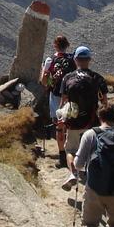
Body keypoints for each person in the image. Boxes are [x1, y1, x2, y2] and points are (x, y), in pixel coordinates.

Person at [59, 45, 108, 189]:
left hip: (73, 120)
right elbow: (104, 101)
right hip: (92, 120)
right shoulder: (97, 78)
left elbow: (63, 101)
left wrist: (61, 118)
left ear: (75, 60)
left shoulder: (67, 77)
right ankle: (92, 177)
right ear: (89, 60)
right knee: (93, 149)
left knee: (71, 149)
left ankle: (73, 173)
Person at [41, 34, 76, 168]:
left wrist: (48, 82)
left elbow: (44, 80)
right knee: (70, 123)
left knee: (59, 124)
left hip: (56, 95)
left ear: (55, 45)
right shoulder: (73, 58)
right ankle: (71, 153)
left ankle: (62, 157)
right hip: (71, 95)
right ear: (67, 46)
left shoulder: (51, 59)